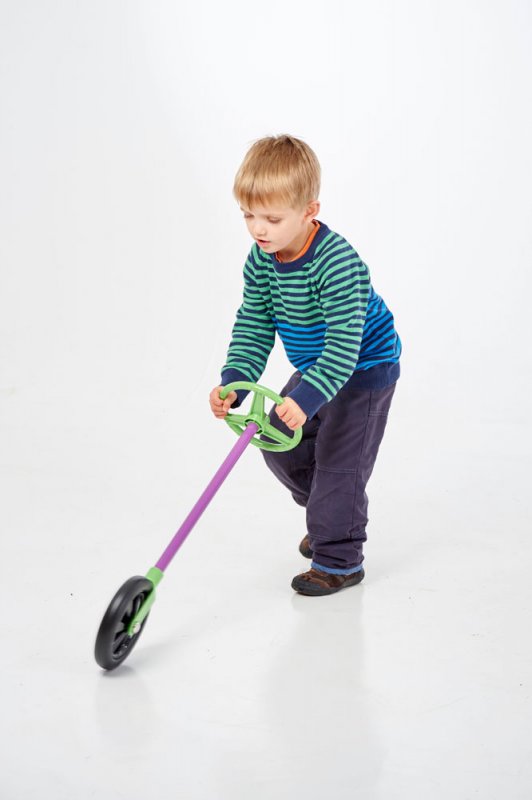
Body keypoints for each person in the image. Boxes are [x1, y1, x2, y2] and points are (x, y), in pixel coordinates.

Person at [209, 134, 401, 596]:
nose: (258, 229)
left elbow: (345, 345)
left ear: (309, 211)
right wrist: (235, 381)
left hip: (363, 368)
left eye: (272, 218)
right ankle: (330, 511)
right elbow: (254, 323)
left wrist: (307, 397)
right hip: (318, 366)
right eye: (248, 215)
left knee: (338, 466)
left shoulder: (337, 263)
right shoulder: (262, 259)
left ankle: (339, 560)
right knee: (274, 437)